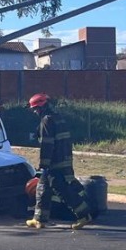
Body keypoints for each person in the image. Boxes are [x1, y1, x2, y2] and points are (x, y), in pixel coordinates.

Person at [25, 93, 93, 230]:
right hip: (63, 159)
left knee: (63, 190)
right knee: (42, 189)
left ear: (42, 107)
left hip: (54, 163)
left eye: (36, 109)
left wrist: (44, 164)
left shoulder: (46, 121)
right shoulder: (58, 118)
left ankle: (84, 215)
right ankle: (39, 219)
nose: (35, 112)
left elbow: (47, 144)